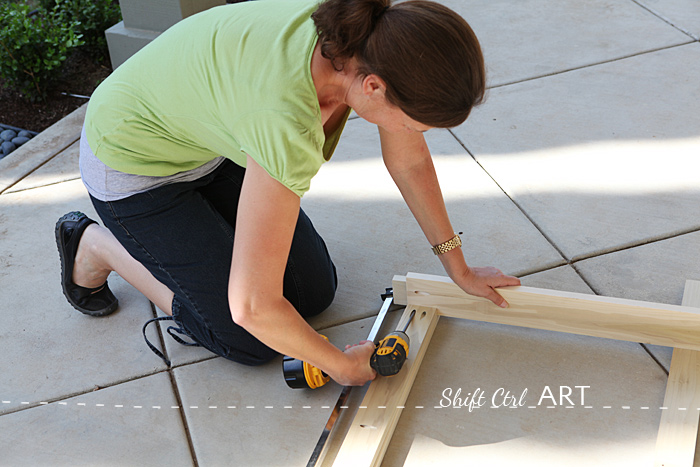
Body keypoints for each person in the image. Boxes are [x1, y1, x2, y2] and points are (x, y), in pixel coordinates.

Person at [55, 0, 521, 387]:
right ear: (374, 87)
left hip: (212, 145)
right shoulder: (286, 120)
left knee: (313, 293)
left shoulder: (362, 41)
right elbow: (251, 306)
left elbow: (410, 160)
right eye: (415, 123)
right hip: (132, 166)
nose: (414, 134)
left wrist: (456, 267)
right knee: (248, 336)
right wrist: (340, 366)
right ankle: (98, 246)